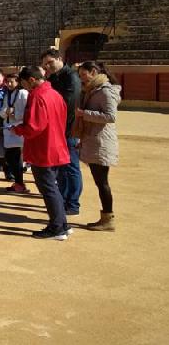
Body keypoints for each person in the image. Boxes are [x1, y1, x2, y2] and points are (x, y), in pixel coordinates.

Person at [13, 66, 71, 241]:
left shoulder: (38, 96)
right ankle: (62, 223)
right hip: (56, 145)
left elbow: (33, 127)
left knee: (48, 189)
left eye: (23, 83)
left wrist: (17, 129)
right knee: (53, 188)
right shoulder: (55, 94)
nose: (23, 87)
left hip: (44, 148)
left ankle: (57, 227)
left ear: (31, 80)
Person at [75, 61, 121, 231]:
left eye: (83, 74)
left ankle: (108, 219)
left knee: (102, 182)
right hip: (95, 139)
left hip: (101, 141)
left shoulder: (105, 91)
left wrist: (83, 114)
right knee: (100, 182)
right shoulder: (94, 89)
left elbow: (110, 116)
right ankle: (106, 217)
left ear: (93, 72)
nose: (81, 78)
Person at [41, 48, 82, 215]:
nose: (48, 66)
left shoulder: (71, 77)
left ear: (59, 58)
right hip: (58, 130)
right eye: (45, 64)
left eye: (50, 62)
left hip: (68, 129)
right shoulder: (54, 77)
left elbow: (68, 105)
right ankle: (64, 200)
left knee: (71, 166)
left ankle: (72, 203)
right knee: (61, 166)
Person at [0, 73, 29, 193]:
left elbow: (27, 112)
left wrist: (14, 114)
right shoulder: (8, 94)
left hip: (18, 129)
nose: (9, 84)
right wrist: (5, 113)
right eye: (8, 82)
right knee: (10, 157)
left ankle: (20, 183)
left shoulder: (23, 93)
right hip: (8, 127)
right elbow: (3, 110)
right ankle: (18, 182)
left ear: (18, 82)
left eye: (12, 81)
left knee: (16, 158)